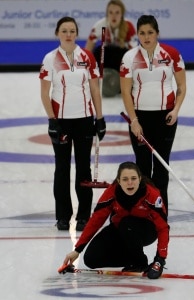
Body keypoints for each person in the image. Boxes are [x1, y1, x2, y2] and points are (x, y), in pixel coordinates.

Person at [39, 16, 106, 231]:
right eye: (64, 31)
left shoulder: (86, 57)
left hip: (85, 120)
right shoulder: (50, 59)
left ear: (77, 34)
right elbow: (44, 92)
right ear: (57, 33)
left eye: (72, 31)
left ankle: (84, 217)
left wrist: (100, 118)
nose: (68, 34)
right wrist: (52, 120)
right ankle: (62, 216)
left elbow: (95, 89)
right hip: (61, 122)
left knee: (83, 169)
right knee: (62, 169)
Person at [120, 15, 186, 215]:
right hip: (140, 119)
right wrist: (134, 120)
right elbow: (125, 91)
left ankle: (160, 211)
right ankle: (142, 209)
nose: (146, 37)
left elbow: (182, 86)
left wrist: (175, 111)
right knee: (142, 167)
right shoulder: (129, 57)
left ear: (157, 33)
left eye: (150, 32)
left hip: (166, 118)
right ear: (137, 35)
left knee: (161, 166)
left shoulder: (171, 54)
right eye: (142, 33)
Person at [61, 161, 169, 280]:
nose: (129, 183)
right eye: (125, 179)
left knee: (127, 223)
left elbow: (163, 227)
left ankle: (140, 262)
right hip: (122, 229)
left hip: (147, 231)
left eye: (133, 178)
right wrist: (77, 250)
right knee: (91, 259)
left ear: (140, 178)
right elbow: (95, 220)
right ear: (118, 181)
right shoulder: (111, 192)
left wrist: (159, 260)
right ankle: (132, 258)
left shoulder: (152, 194)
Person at [85, 0, 138, 97]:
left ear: (122, 14)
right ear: (107, 13)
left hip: (121, 61)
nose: (114, 16)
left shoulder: (128, 26)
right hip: (105, 59)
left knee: (126, 55)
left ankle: (124, 84)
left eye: (117, 13)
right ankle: (95, 83)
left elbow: (134, 54)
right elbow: (88, 49)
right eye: (111, 12)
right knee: (98, 51)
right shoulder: (100, 25)